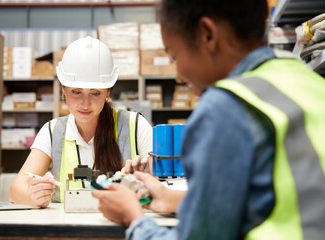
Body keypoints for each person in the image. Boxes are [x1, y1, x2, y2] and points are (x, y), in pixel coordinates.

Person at [92, 0, 325, 239]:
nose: (179, 76)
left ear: (207, 34)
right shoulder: (310, 83)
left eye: (175, 55)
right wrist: (167, 198)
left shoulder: (226, 107)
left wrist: (133, 219)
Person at [9, 37, 153, 208]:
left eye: (95, 93)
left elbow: (163, 187)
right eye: (76, 92)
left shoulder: (135, 126)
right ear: (63, 89)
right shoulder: (53, 131)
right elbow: (15, 190)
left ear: (108, 91)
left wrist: (146, 183)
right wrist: (33, 194)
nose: (85, 103)